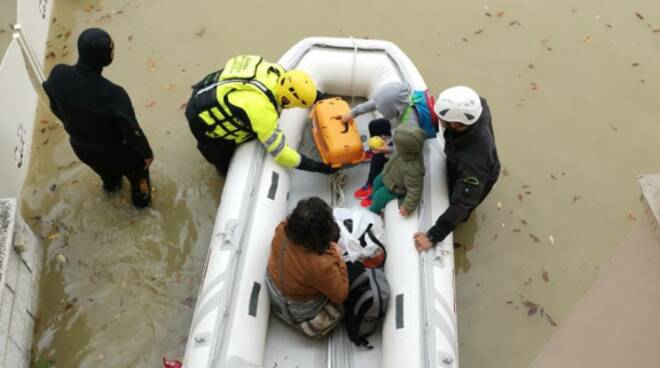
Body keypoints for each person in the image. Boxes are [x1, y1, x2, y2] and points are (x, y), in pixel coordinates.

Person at [42, 28, 153, 208]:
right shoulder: (114, 94)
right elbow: (132, 130)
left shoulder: (58, 74)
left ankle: (112, 189)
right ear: (105, 57)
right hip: (119, 154)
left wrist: (72, 123)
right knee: (141, 186)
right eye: (111, 50)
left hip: (83, 150)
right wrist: (146, 154)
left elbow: (52, 101)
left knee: (110, 181)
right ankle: (142, 205)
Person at [185, 55, 334, 176]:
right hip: (201, 118)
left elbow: (300, 88)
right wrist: (320, 168)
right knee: (224, 165)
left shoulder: (275, 71)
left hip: (207, 89)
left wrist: (322, 99)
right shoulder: (262, 111)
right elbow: (282, 154)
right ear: (286, 100)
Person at [414, 86, 501, 251]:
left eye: (441, 118)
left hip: (481, 171)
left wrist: (433, 236)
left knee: (462, 205)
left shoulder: (474, 162)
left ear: (455, 124)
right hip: (462, 148)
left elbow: (462, 204)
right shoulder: (477, 108)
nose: (438, 119)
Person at [339, 82, 436, 206]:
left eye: (382, 110)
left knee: (378, 158)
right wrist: (351, 114)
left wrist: (386, 149)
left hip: (406, 142)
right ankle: (373, 151)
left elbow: (403, 148)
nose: (379, 110)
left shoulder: (410, 122)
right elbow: (371, 105)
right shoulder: (399, 102)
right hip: (398, 131)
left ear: (393, 108)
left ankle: (371, 184)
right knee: (375, 124)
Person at [266, 197, 348, 338]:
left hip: (273, 288)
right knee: (340, 308)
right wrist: (338, 257)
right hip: (300, 310)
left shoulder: (281, 228)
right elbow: (341, 295)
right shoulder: (321, 265)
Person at [368, 125, 426, 216]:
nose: (394, 145)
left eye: (396, 143)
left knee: (379, 197)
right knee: (376, 182)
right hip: (389, 175)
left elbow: (415, 189)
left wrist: (407, 207)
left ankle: (374, 211)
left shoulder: (414, 168)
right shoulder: (402, 150)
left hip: (396, 188)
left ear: (404, 147)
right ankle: (373, 199)